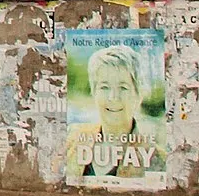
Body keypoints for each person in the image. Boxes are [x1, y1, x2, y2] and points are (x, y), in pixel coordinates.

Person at [63, 42, 163, 182]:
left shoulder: (157, 159)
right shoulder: (71, 139)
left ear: (138, 95)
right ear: (94, 93)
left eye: (123, 88)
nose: (113, 97)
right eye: (104, 87)